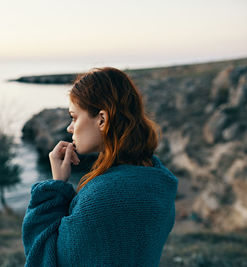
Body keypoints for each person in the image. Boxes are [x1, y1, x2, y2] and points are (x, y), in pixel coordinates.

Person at [22, 67, 178, 266]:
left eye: (74, 117)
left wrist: (55, 188)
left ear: (102, 119)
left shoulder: (100, 199)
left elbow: (44, 258)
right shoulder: (159, 182)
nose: (70, 128)